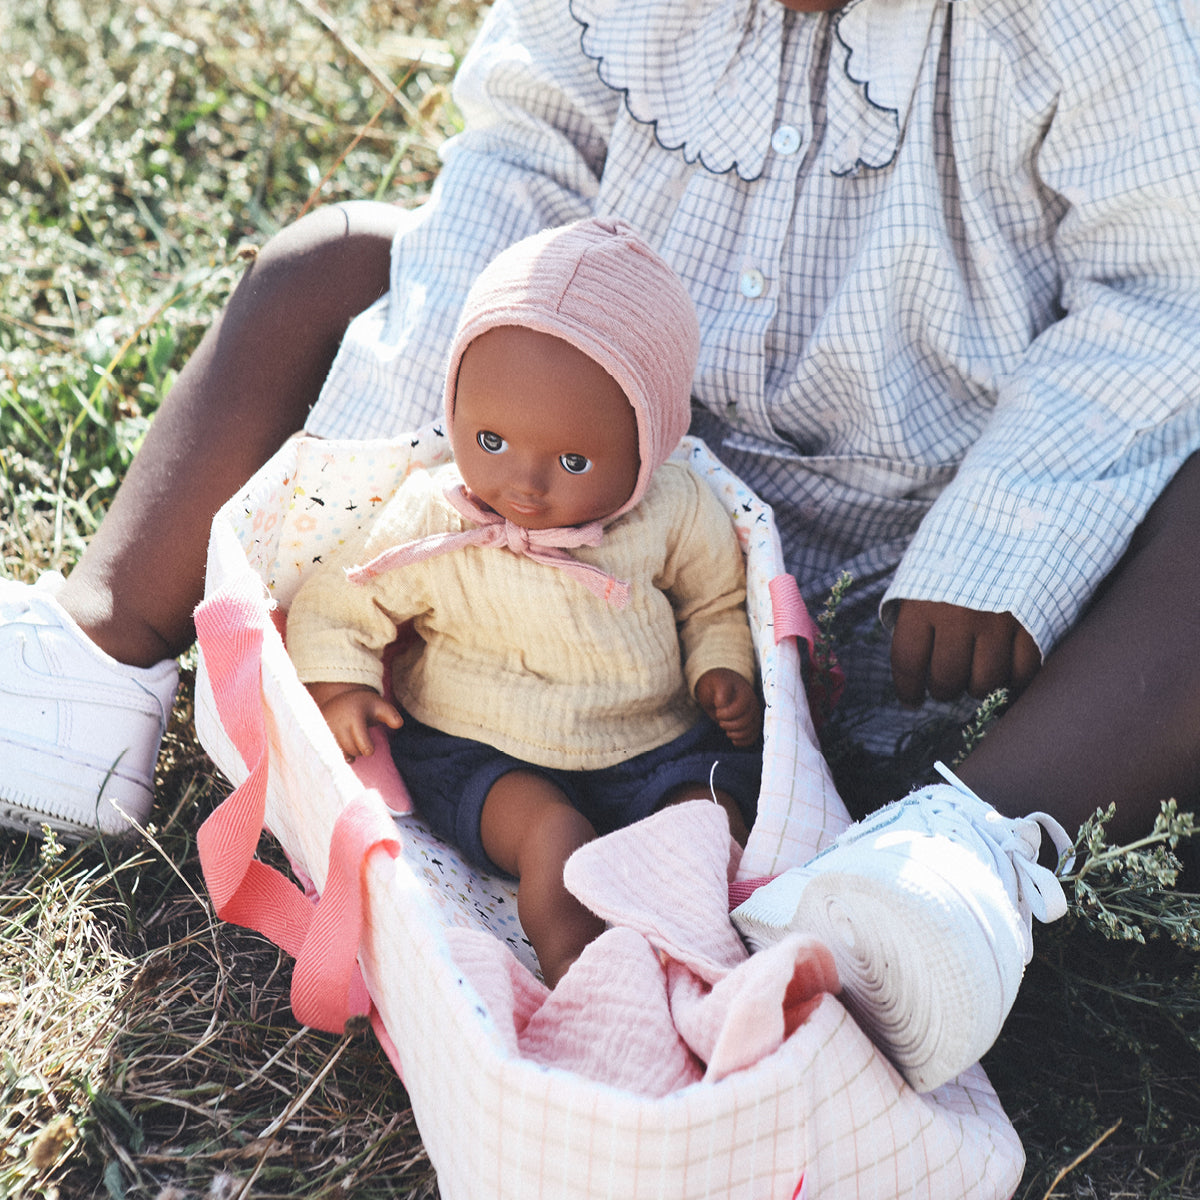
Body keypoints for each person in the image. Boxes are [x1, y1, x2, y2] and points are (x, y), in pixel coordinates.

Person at [2, 0, 1198, 1083]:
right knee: (335, 261)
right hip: (574, 533)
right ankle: (105, 651)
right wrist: (388, 490)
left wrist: (1005, 545)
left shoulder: (1094, 25)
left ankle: (961, 850)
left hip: (923, 579)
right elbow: (519, 166)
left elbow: (1162, 286)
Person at [284, 218, 763, 987]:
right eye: (492, 441)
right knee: (548, 830)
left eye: (573, 460)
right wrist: (342, 681)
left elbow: (716, 603)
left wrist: (721, 668)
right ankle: (574, 953)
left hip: (647, 737)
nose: (525, 486)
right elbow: (345, 595)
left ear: (652, 442)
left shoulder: (673, 508)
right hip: (482, 744)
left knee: (707, 805)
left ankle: (683, 913)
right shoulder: (438, 516)